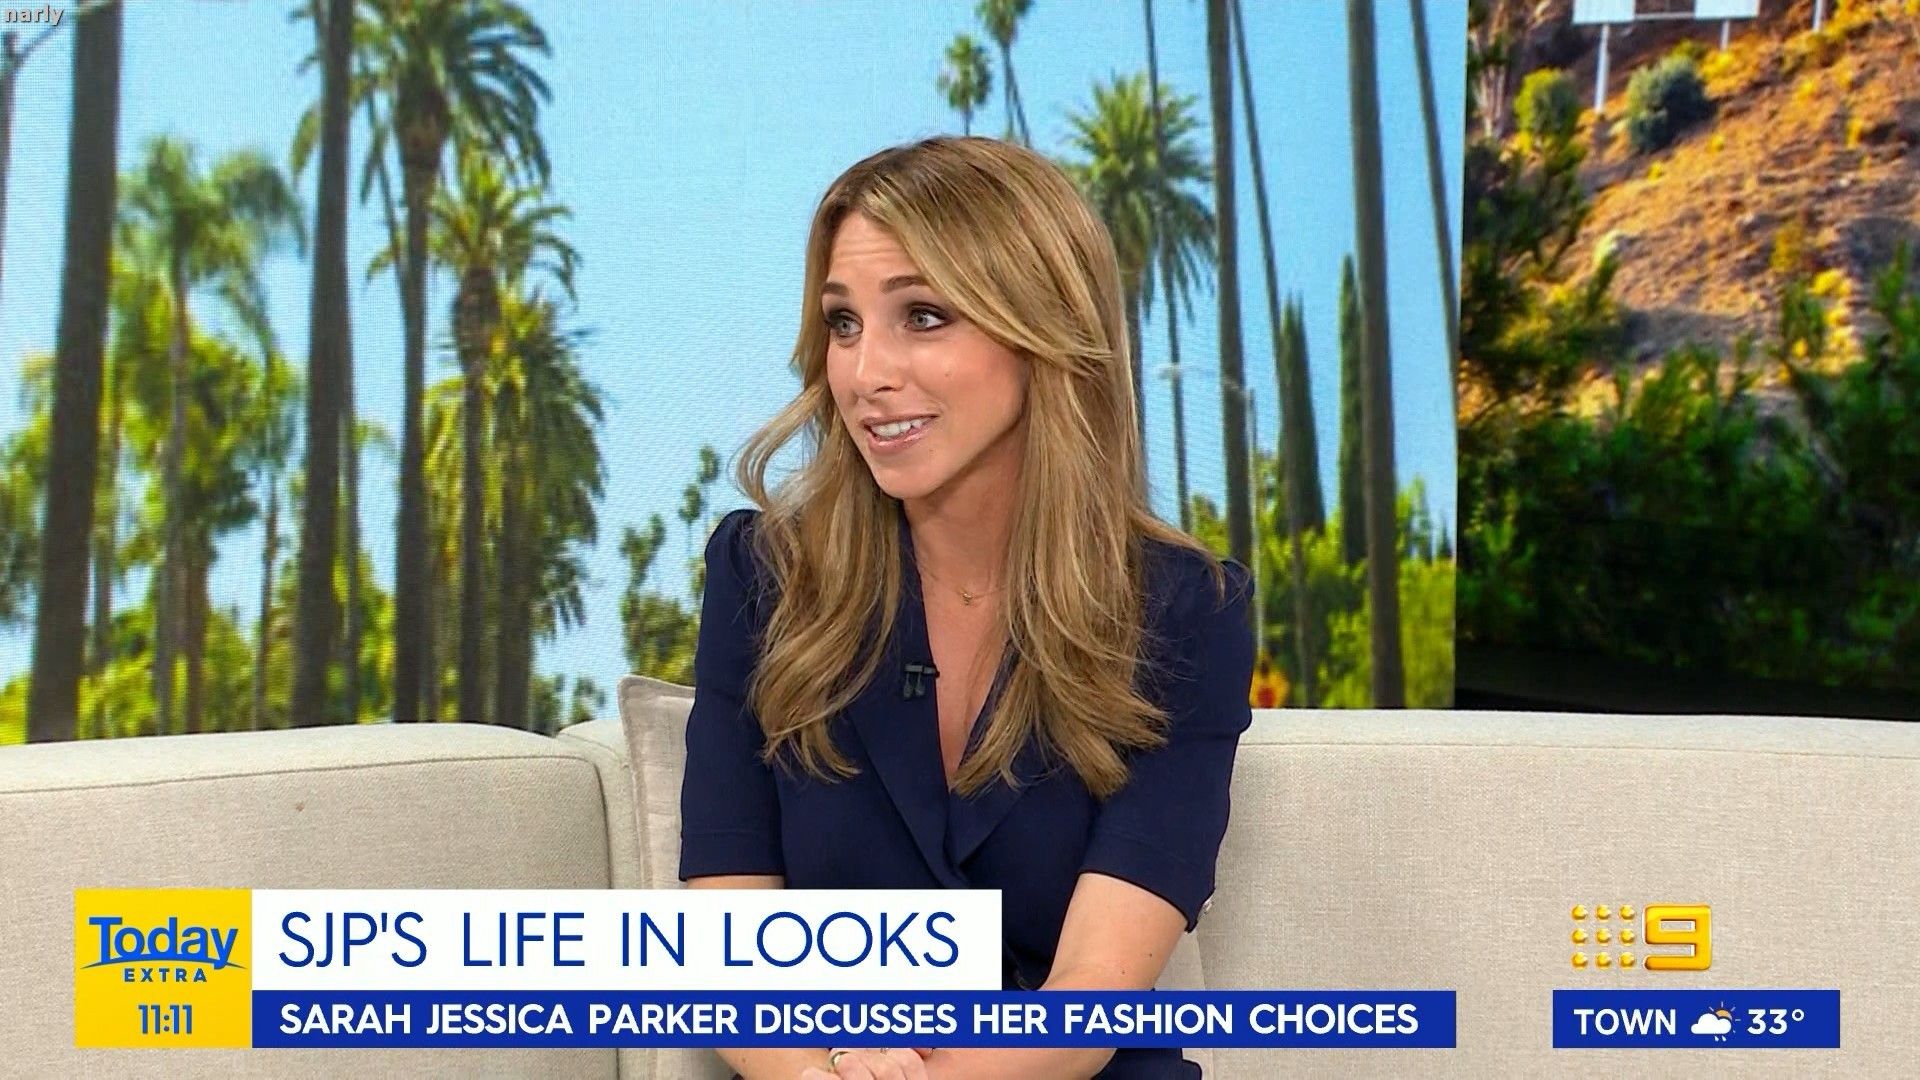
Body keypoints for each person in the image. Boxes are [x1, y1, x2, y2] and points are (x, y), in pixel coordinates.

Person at [680, 135, 1255, 1080]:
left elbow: (1093, 997)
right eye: (844, 324)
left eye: (923, 316)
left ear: (1041, 329)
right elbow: (723, 955)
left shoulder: (1184, 609)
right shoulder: (765, 578)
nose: (866, 374)